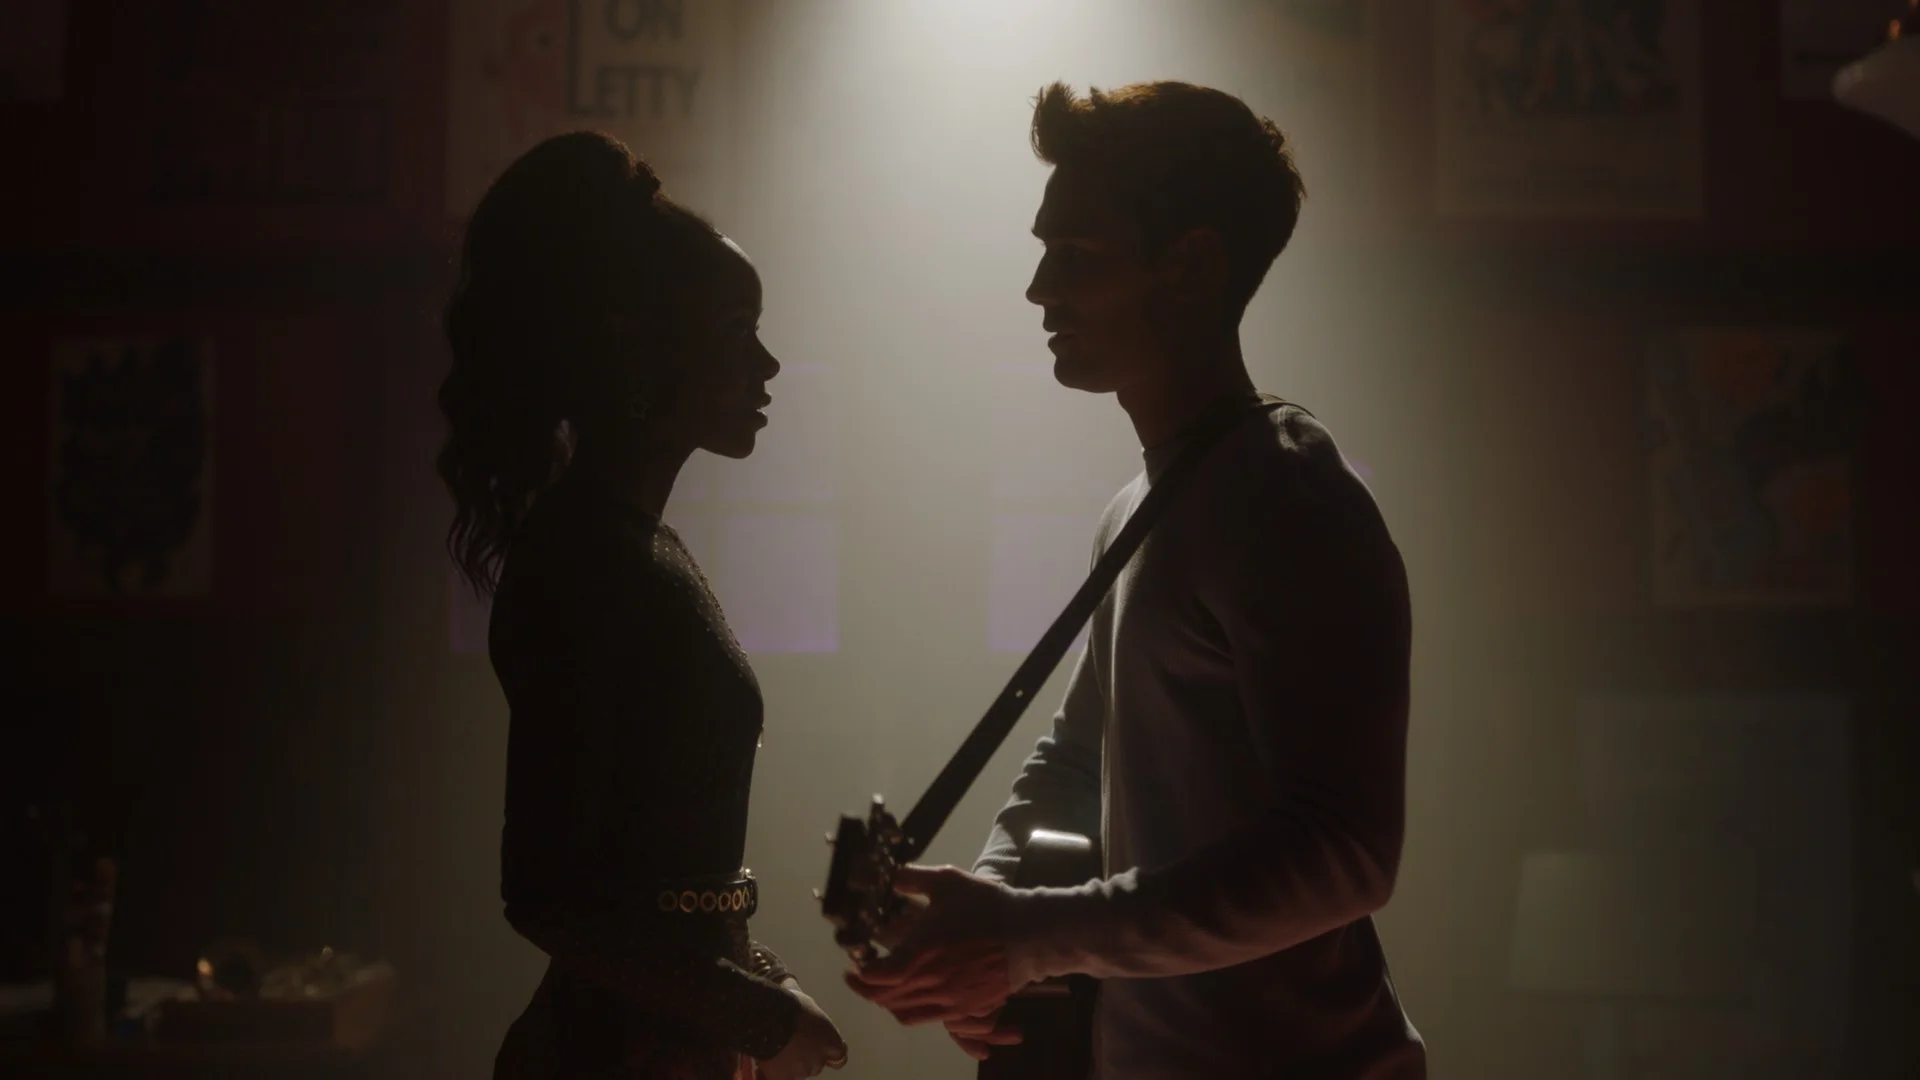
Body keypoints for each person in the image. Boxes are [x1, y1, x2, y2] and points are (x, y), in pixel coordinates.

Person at [845, 82, 1426, 1078]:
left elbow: (1346, 855)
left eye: (1076, 255)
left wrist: (1022, 938)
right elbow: (1077, 759)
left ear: (1191, 264)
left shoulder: (1287, 499)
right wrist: (988, 914)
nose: (1038, 289)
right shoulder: (1142, 505)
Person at [437, 131, 848, 1080]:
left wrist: (762, 987)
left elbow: (656, 886)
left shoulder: (631, 549)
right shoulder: (584, 561)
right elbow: (548, 894)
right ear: (638, 344)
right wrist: (756, 1013)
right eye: (736, 330)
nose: (768, 364)